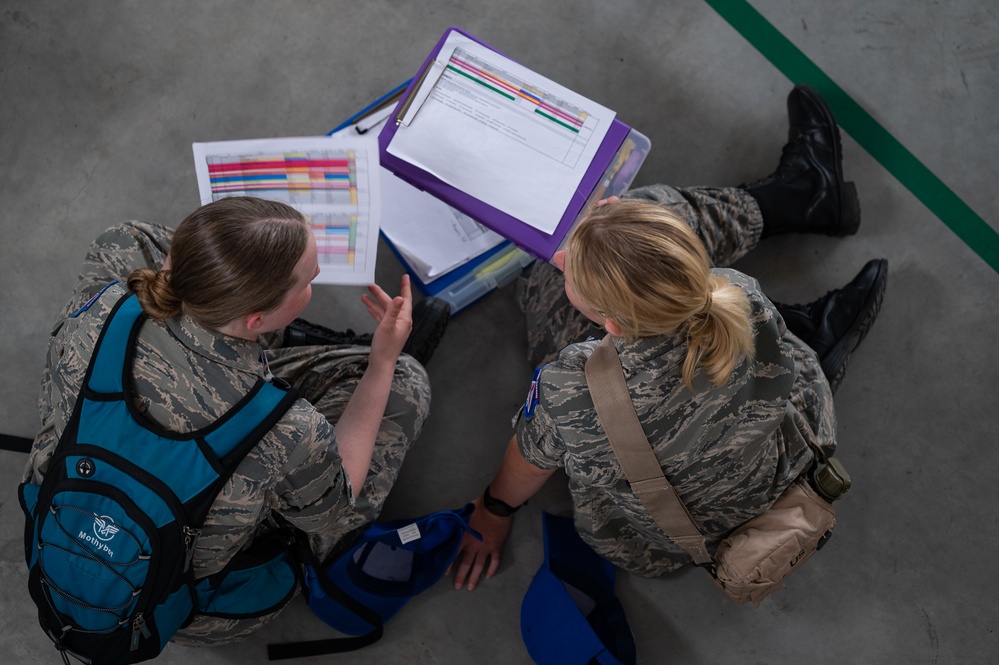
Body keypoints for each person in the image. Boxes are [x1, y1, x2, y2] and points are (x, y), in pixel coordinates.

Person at [450, 84, 888, 590]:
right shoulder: (738, 292)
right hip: (786, 462)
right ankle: (807, 214)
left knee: (549, 283)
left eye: (570, 271)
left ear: (609, 325)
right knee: (654, 210)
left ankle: (808, 208)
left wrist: (492, 511)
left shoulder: (570, 391)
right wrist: (621, 236)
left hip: (677, 538)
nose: (563, 259)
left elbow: (528, 462)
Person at [22, 196, 447, 645]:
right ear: (257, 318)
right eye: (309, 280)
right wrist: (382, 360)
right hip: (181, 602)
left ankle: (256, 326)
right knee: (406, 382)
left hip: (67, 523)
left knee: (130, 238)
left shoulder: (99, 307)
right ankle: (318, 351)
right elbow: (333, 511)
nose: (316, 280)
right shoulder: (290, 430)